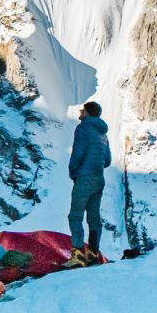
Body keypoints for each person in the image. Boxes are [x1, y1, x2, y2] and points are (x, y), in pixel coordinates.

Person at [64, 101, 110, 268]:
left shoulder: (83, 128)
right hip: (99, 178)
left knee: (75, 216)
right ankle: (93, 253)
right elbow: (108, 160)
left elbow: (78, 152)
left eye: (83, 110)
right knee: (94, 217)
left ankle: (77, 254)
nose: (81, 112)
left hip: (84, 177)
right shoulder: (103, 133)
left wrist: (73, 171)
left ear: (89, 112)